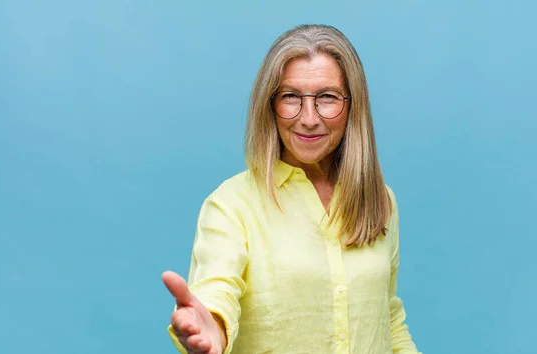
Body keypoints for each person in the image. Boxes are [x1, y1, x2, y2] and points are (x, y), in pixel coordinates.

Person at [161, 24, 422, 354]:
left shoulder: (381, 201)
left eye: (327, 97)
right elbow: (217, 291)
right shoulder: (231, 204)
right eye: (290, 97)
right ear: (269, 105)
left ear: (353, 105)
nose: (309, 118)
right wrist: (212, 326)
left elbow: (388, 320)